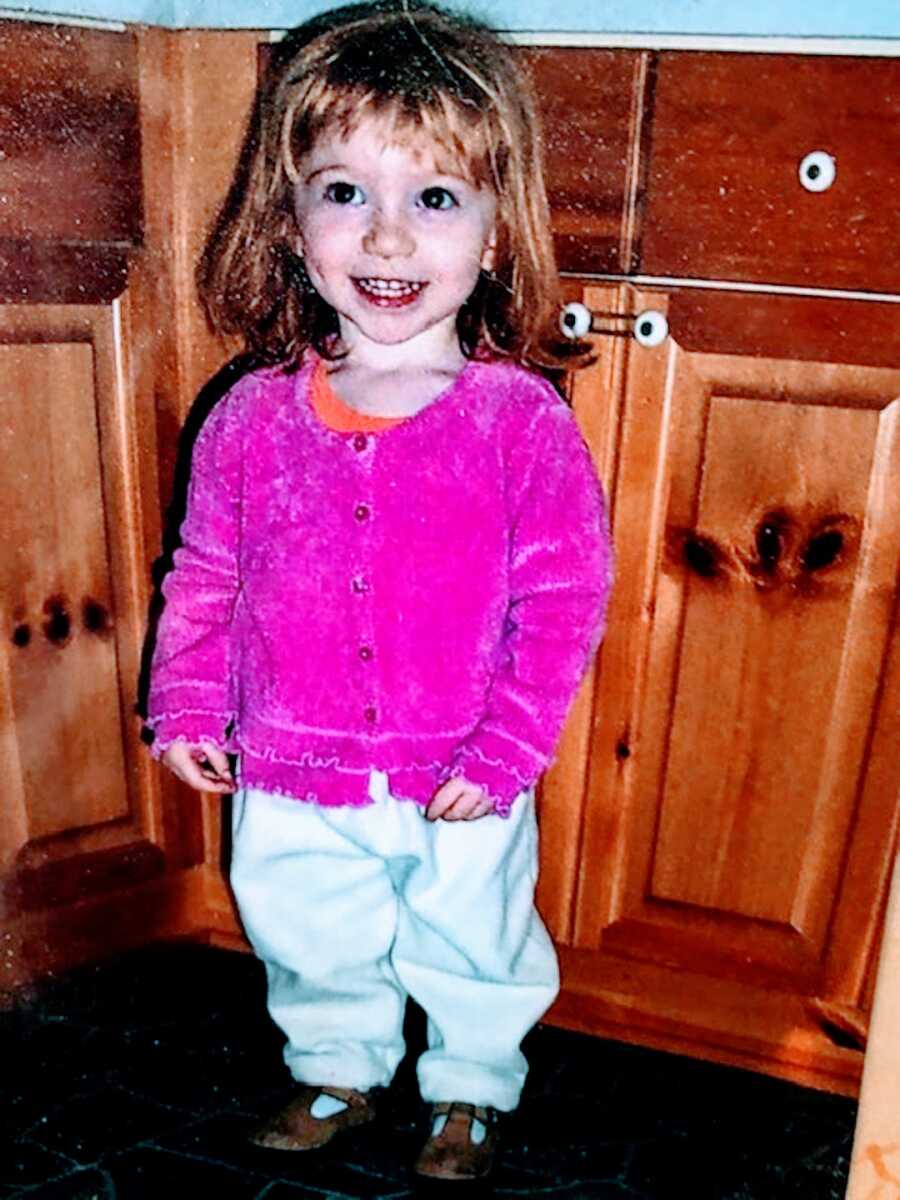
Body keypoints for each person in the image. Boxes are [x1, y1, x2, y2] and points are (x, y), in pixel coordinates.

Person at [145, 0, 613, 1182]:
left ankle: (468, 1089)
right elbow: (206, 574)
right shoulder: (250, 418)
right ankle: (338, 1068)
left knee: (473, 935)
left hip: (461, 765)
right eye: (346, 192)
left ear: (496, 237)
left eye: (436, 199)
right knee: (309, 930)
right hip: (291, 756)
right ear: (293, 222)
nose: (389, 240)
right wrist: (188, 705)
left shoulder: (520, 423)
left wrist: (509, 749)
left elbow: (563, 605)